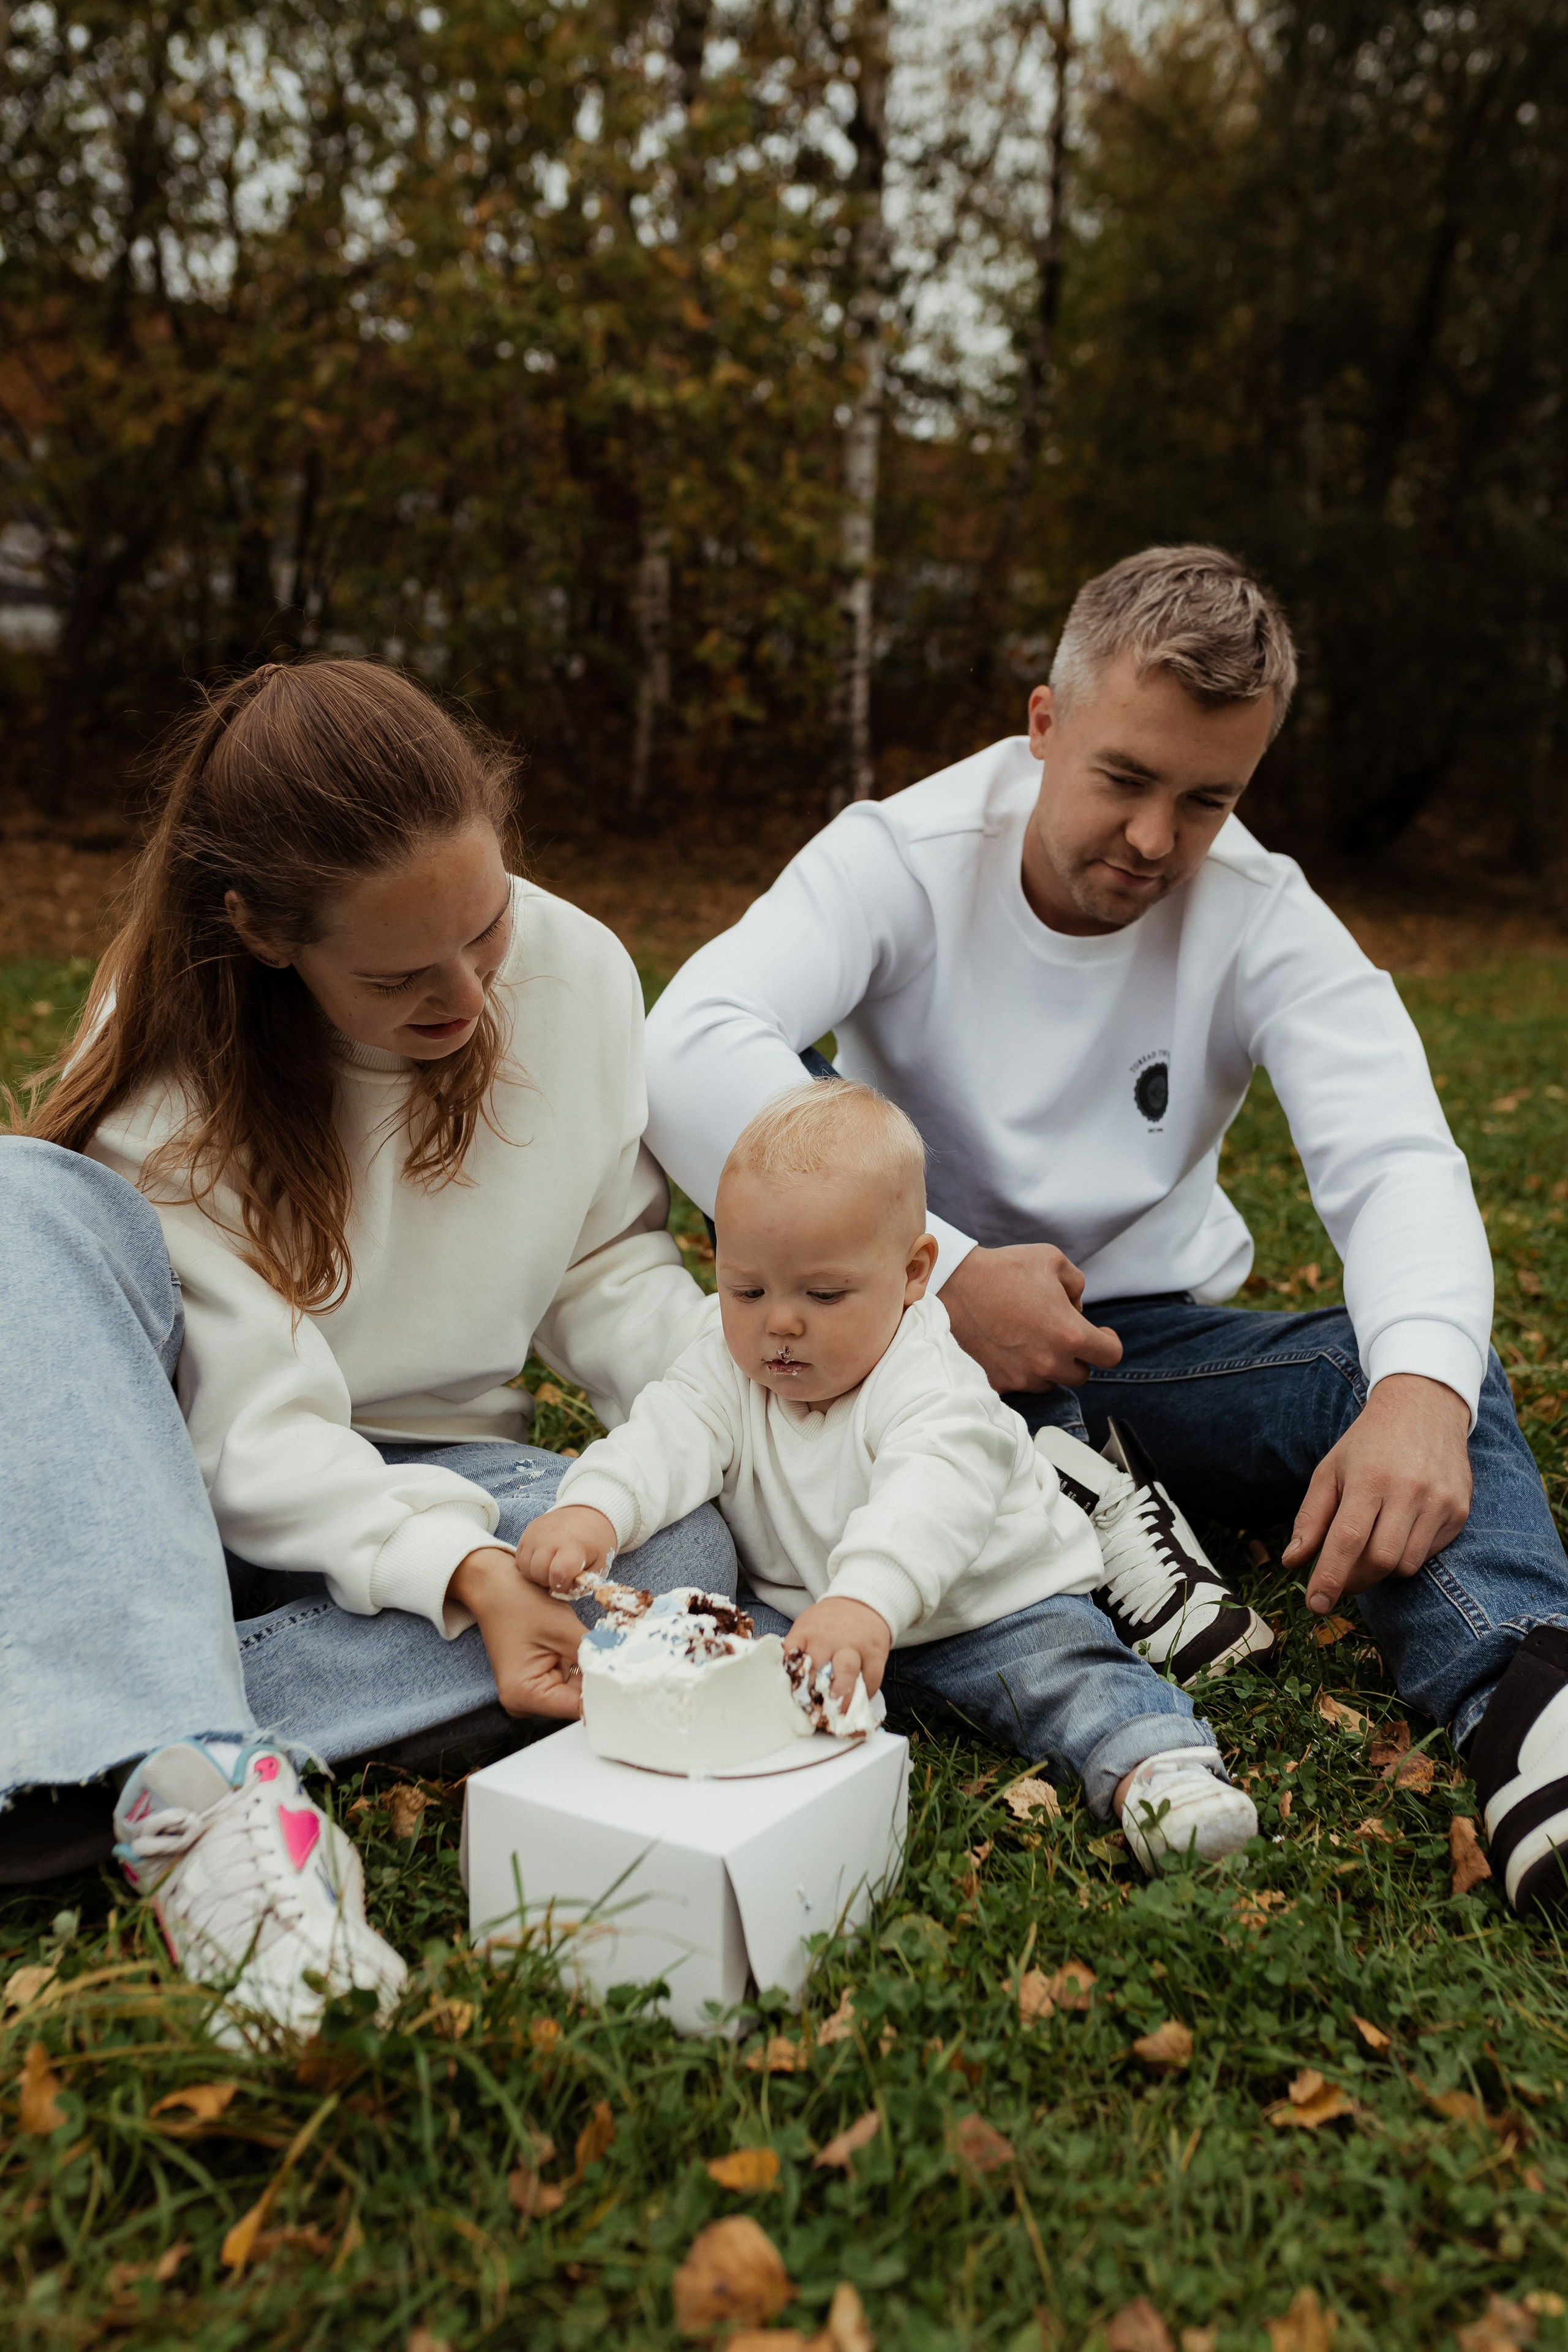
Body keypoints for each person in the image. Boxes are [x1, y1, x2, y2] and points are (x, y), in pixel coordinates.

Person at [643, 545, 1568, 1921]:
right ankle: (1069, 1492)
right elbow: (685, 1047)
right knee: (897, 1328)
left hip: (1147, 1350)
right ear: (1042, 723)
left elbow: (1392, 1159)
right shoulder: (898, 857)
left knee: (1414, 1371)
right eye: (1123, 779)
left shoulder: (1259, 911)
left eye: (1205, 800)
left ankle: (1526, 1708)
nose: (1153, 839)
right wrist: (942, 1280)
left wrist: (1420, 1394)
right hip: (886, 1357)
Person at [0, 658, 734, 2040]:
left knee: (679, 1556)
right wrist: (460, 1572)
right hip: (183, 1492)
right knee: (15, 1199)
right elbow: (251, 1435)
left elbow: (603, 1268)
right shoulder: (173, 1057)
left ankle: (101, 1743)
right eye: (399, 976)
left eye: (488, 928)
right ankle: (192, 1787)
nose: (464, 995)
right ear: (266, 934)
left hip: (440, 1472)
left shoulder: (578, 971)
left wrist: (744, 1403)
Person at [516, 1078, 1260, 1871]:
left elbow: (926, 1503)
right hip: (814, 1619)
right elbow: (663, 1435)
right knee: (719, 1656)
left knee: (1067, 1676)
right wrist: (595, 1509)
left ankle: (1160, 1770)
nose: (781, 1321)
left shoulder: (929, 1381)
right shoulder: (729, 1364)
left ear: (913, 1274)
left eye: (824, 1293)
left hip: (987, 1609)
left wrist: (865, 1602)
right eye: (748, 1289)